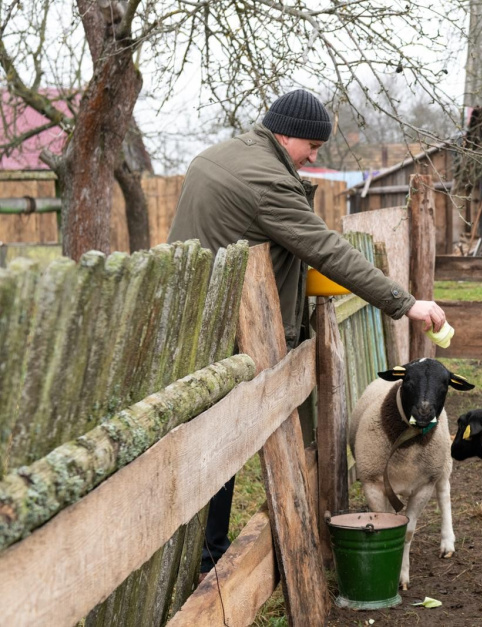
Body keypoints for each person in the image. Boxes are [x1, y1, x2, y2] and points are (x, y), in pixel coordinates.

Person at [167, 88, 448, 576]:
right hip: (236, 328)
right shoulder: (265, 181)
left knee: (213, 441)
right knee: (230, 444)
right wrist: (404, 303)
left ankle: (210, 549)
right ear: (287, 134)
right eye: (312, 147)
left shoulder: (219, 156)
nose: (315, 158)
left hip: (196, 317)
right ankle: (217, 556)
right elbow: (326, 248)